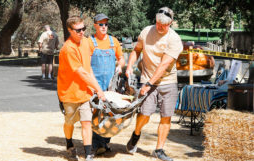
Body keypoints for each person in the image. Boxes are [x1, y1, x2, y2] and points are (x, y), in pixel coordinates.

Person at [125, 7, 183, 161]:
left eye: (163, 25)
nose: (159, 26)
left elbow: (163, 65)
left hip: (167, 81)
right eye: (157, 23)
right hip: (147, 77)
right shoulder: (146, 31)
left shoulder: (174, 39)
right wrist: (130, 65)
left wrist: (149, 84)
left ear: (170, 23)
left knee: (166, 117)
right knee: (145, 114)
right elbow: (136, 50)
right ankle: (136, 134)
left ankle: (159, 149)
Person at [57, 16, 106, 161]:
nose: (82, 32)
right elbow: (81, 73)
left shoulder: (86, 42)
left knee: (86, 122)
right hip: (69, 93)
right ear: (69, 30)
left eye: (83, 29)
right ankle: (69, 143)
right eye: (78, 30)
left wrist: (94, 86)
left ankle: (88, 153)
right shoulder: (68, 48)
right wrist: (98, 89)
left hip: (84, 92)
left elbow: (87, 67)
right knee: (70, 122)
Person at [88, 13, 125, 155]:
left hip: (111, 85)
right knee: (97, 113)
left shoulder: (113, 41)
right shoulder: (90, 42)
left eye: (106, 24)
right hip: (95, 84)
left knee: (111, 112)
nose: (104, 27)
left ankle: (105, 142)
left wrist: (120, 66)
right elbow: (87, 64)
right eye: (101, 24)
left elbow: (121, 59)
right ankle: (97, 144)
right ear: (95, 25)